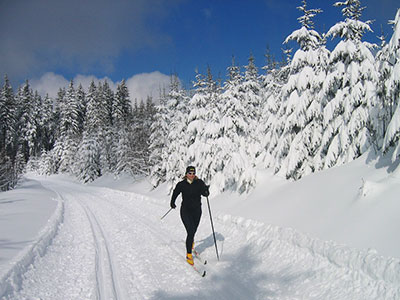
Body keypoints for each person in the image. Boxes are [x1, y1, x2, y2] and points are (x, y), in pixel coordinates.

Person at [170, 166, 210, 265]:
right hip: (185, 211)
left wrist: (206, 191)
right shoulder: (181, 184)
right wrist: (172, 202)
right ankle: (188, 254)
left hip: (197, 211)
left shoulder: (199, 183)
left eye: (193, 173)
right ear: (186, 174)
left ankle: (190, 242)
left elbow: (205, 194)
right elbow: (175, 193)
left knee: (193, 231)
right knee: (190, 231)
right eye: (189, 173)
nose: (191, 175)